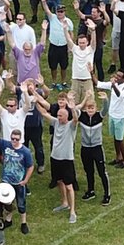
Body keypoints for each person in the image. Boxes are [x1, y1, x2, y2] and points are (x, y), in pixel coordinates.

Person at [34, 90, 80, 224]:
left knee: (69, 186)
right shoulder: (56, 122)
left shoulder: (71, 126)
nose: (58, 118)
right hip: (55, 158)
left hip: (67, 160)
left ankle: (72, 211)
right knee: (59, 181)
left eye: (61, 116)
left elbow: (76, 119)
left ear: (66, 116)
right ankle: (64, 203)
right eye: (58, 115)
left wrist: (72, 107)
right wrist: (35, 100)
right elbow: (43, 113)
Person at [95, 70, 124, 169]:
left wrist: (113, 85)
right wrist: (91, 73)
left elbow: (119, 95)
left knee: (120, 139)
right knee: (115, 137)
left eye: (119, 76)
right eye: (116, 75)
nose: (116, 77)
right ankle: (118, 157)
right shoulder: (114, 84)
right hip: (112, 114)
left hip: (120, 116)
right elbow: (98, 83)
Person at [78, 96, 111, 206]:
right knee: (89, 171)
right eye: (88, 108)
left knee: (102, 171)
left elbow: (106, 109)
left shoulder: (99, 116)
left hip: (97, 148)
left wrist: (105, 99)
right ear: (85, 109)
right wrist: (74, 101)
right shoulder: (81, 116)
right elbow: (74, 110)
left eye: (92, 108)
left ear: (96, 108)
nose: (90, 110)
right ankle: (91, 190)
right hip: (85, 148)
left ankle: (107, 194)